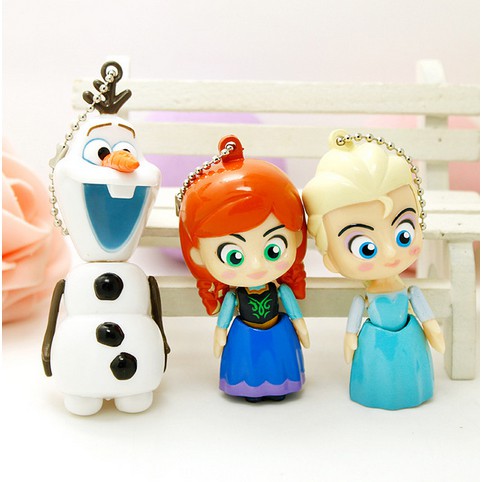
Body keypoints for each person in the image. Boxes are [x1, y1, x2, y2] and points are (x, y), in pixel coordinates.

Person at [302, 130, 445, 410]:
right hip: (375, 343)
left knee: (410, 375)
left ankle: (415, 390)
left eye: (404, 233)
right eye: (365, 247)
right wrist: (350, 340)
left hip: (409, 340)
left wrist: (433, 331)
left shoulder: (411, 292)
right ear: (330, 255)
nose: (390, 253)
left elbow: (428, 319)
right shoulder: (363, 300)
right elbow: (352, 328)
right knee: (377, 376)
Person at [178, 135, 309, 402]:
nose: (257, 266)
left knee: (279, 366)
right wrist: (219, 335)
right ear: (198, 255)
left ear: (296, 237)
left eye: (273, 250)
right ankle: (251, 391)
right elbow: (223, 321)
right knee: (250, 369)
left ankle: (280, 388)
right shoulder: (233, 296)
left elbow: (295, 314)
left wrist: (301, 327)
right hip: (245, 338)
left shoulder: (281, 290)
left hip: (279, 334)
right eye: (234, 256)